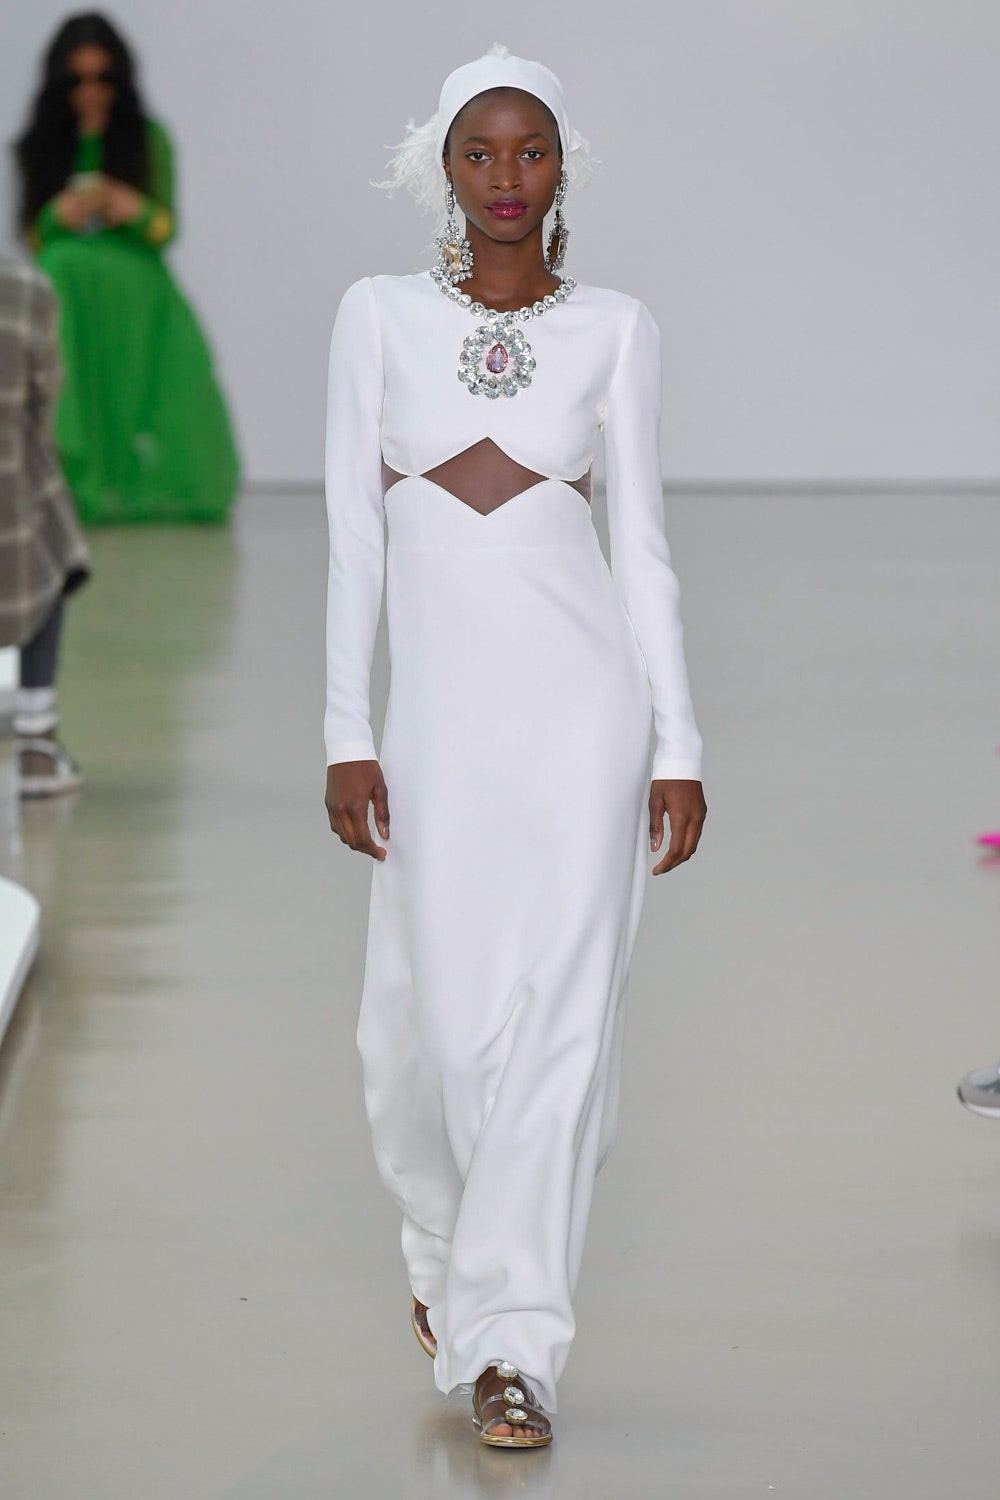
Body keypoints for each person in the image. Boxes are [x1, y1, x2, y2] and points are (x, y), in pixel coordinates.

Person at [323, 46, 707, 1448]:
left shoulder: (617, 328)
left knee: (559, 1037)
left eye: (529, 151)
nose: (505, 176)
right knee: (422, 1037)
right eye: (480, 152)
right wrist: (345, 728)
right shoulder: (376, 317)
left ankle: (513, 1350)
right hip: (435, 726)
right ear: (443, 165)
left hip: (583, 720)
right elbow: (353, 539)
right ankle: (447, 1261)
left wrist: (677, 745)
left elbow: (642, 551)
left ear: (562, 170)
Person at [13, 12, 239, 525]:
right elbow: (33, 238)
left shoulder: (147, 138)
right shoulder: (40, 144)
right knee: (57, 272)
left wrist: (131, 207)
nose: (91, 92)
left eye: (103, 78)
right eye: (78, 80)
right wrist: (58, 213)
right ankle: (76, 482)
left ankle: (130, 486)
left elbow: (164, 229)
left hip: (136, 287)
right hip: (70, 291)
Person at [0, 254, 90, 795]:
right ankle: (35, 739)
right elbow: (43, 396)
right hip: (8, 488)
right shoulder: (22, 286)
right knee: (52, 550)